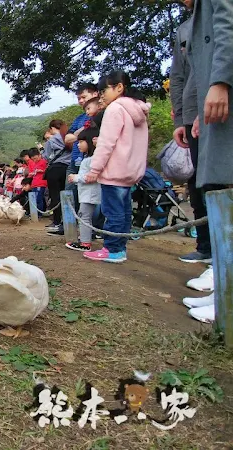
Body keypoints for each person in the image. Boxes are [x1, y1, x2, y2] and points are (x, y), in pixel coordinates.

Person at [180, 0, 233, 322]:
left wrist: (220, 82)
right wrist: (198, 110)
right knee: (215, 185)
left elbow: (227, 31)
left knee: (223, 185)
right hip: (210, 105)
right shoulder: (195, 12)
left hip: (221, 93)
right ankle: (223, 283)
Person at [83, 71, 151, 263]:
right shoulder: (139, 111)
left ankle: (111, 249)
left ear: (119, 87)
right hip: (130, 171)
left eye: (103, 90)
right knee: (124, 212)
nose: (101, 95)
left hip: (114, 171)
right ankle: (119, 248)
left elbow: (106, 144)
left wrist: (94, 169)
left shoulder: (115, 110)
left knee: (112, 213)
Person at [170, 0, 210, 264]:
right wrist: (181, 119)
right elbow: (179, 76)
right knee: (199, 185)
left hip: (218, 106)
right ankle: (207, 246)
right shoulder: (184, 30)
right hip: (194, 114)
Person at [66, 127, 101, 252]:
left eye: (81, 142)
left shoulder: (93, 159)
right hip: (87, 193)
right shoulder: (89, 158)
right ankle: (85, 238)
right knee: (86, 217)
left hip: (90, 193)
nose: (78, 145)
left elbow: (92, 177)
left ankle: (85, 243)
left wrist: (75, 178)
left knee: (84, 216)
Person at [43, 119, 70, 235]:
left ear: (52, 128)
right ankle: (68, 221)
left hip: (55, 168)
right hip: (68, 168)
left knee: (55, 196)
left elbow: (46, 156)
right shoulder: (69, 137)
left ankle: (57, 221)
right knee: (67, 195)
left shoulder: (51, 140)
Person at [27, 148, 48, 215]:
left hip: (41, 183)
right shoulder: (35, 163)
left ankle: (39, 213)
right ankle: (35, 213)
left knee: (39, 198)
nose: (34, 160)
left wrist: (42, 171)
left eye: (35, 158)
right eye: (33, 159)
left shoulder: (44, 162)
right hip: (34, 183)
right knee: (34, 199)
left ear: (39, 155)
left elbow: (47, 170)